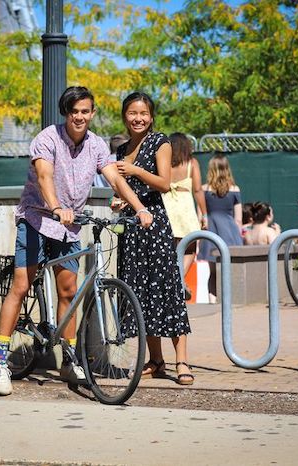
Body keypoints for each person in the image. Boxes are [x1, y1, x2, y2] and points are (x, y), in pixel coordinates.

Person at [0, 86, 153, 396]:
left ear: (92, 113)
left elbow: (115, 178)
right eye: (74, 111)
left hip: (69, 225)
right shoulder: (47, 139)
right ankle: (0, 361)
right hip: (38, 217)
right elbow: (44, 176)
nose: (79, 116)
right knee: (22, 285)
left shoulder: (96, 145)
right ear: (67, 113)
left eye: (85, 111)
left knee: (69, 290)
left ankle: (70, 357)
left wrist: (139, 207)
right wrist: (55, 207)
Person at [113, 92, 194, 386]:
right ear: (125, 115)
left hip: (155, 226)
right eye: (133, 113)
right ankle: (156, 360)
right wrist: (119, 201)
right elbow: (125, 190)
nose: (138, 118)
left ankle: (181, 361)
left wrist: (135, 170)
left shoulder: (160, 142)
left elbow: (164, 183)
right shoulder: (121, 150)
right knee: (140, 294)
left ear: (151, 116)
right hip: (132, 228)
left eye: (143, 113)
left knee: (167, 291)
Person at [162, 132, 207, 301]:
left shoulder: (164, 163)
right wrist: (204, 213)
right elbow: (197, 189)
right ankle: (179, 278)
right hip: (185, 207)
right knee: (190, 247)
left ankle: (172, 280)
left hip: (166, 204)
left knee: (169, 247)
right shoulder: (191, 163)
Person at [197, 154, 243, 304]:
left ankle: (213, 302)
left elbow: (200, 217)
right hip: (230, 232)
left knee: (213, 271)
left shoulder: (203, 189)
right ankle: (229, 301)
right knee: (228, 270)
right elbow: (238, 218)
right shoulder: (235, 189)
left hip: (210, 232)